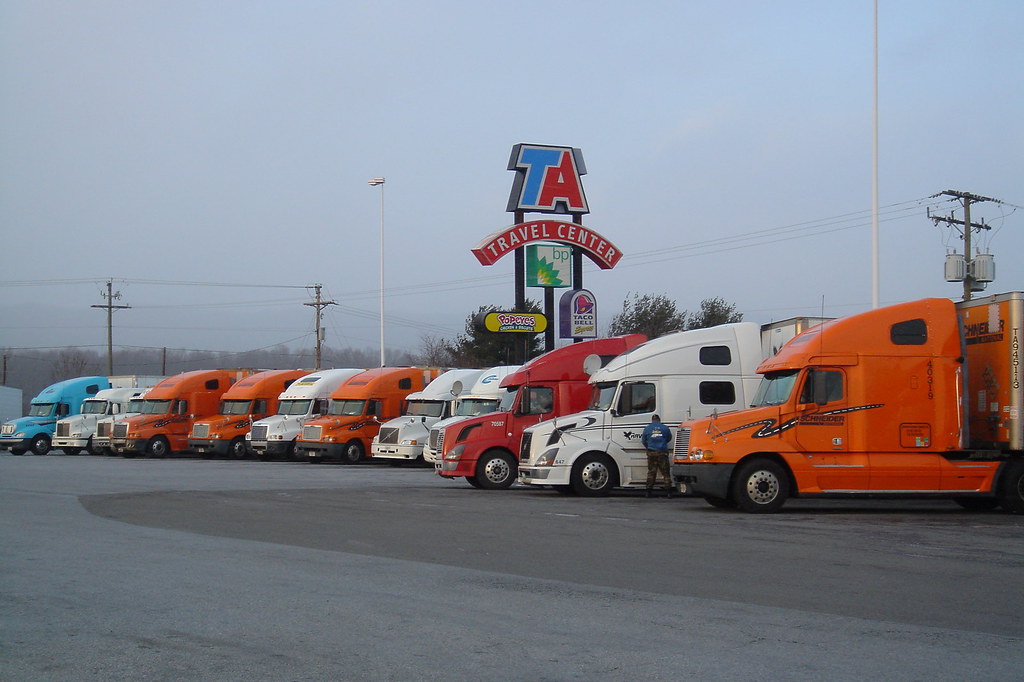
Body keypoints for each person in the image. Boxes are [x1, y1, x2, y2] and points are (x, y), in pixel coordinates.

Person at [641, 414, 673, 498]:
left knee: (651, 472)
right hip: (662, 453)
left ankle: (648, 491)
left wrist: (649, 447)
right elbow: (669, 438)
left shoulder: (647, 428)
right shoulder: (665, 428)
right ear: (659, 420)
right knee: (666, 473)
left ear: (652, 420)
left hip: (651, 453)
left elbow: (644, 440)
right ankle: (669, 492)